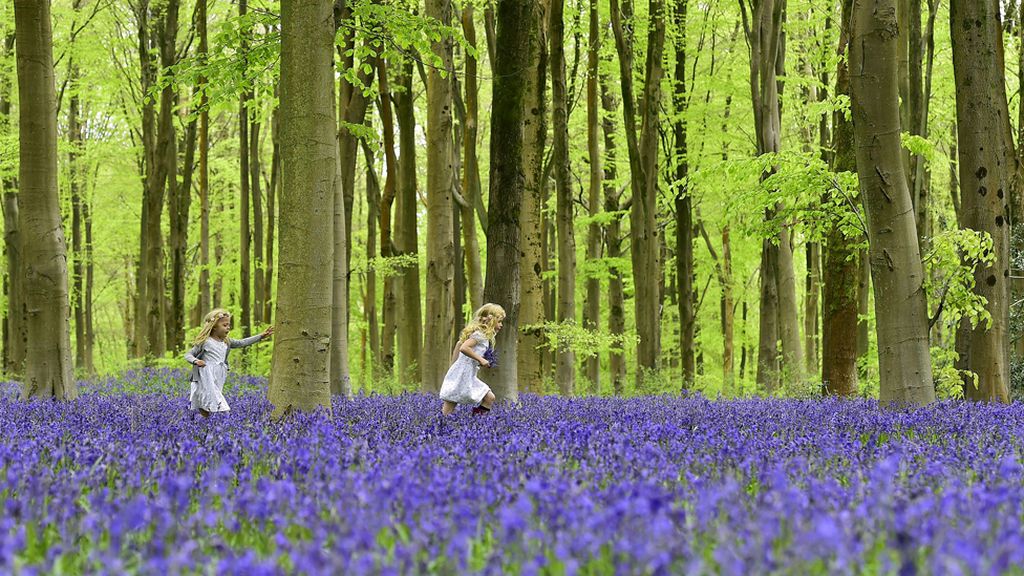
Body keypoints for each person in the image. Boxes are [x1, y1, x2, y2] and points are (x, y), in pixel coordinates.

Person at [184, 309, 273, 417]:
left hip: (220, 374)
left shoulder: (227, 342)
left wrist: (261, 336)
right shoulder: (205, 342)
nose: (228, 327)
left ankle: (205, 421)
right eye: (225, 325)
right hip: (206, 374)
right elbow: (188, 355)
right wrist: (196, 361)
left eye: (229, 325)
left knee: (208, 400)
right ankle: (225, 416)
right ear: (214, 327)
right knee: (216, 399)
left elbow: (242, 343)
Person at [439, 303, 504, 416]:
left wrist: (453, 367)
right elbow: (464, 348)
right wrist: (481, 360)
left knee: (489, 397)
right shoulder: (480, 335)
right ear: (491, 320)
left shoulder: (483, 336)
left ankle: (476, 422)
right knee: (449, 406)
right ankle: (441, 424)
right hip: (463, 373)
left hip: (467, 373)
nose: (501, 325)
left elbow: (459, 344)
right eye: (499, 321)